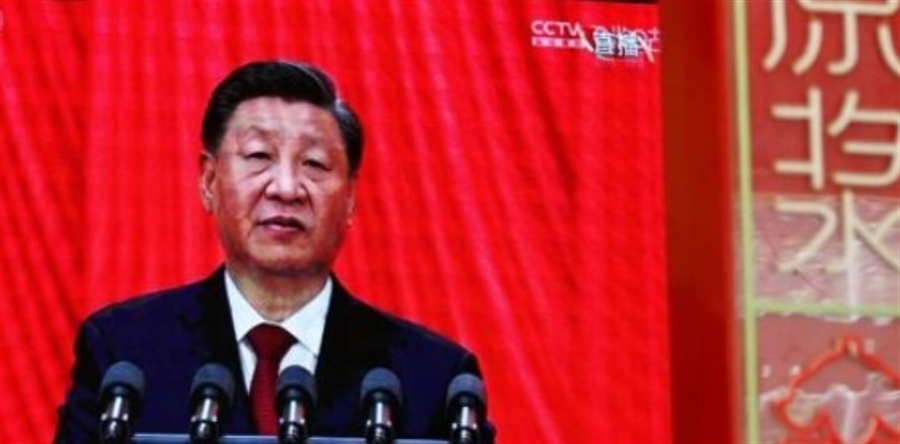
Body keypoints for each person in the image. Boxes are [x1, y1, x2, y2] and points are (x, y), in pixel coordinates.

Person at [55, 60, 492, 442]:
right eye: (259, 156)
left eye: (314, 164)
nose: (286, 188)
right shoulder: (126, 354)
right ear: (209, 181)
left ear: (351, 199)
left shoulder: (433, 379)